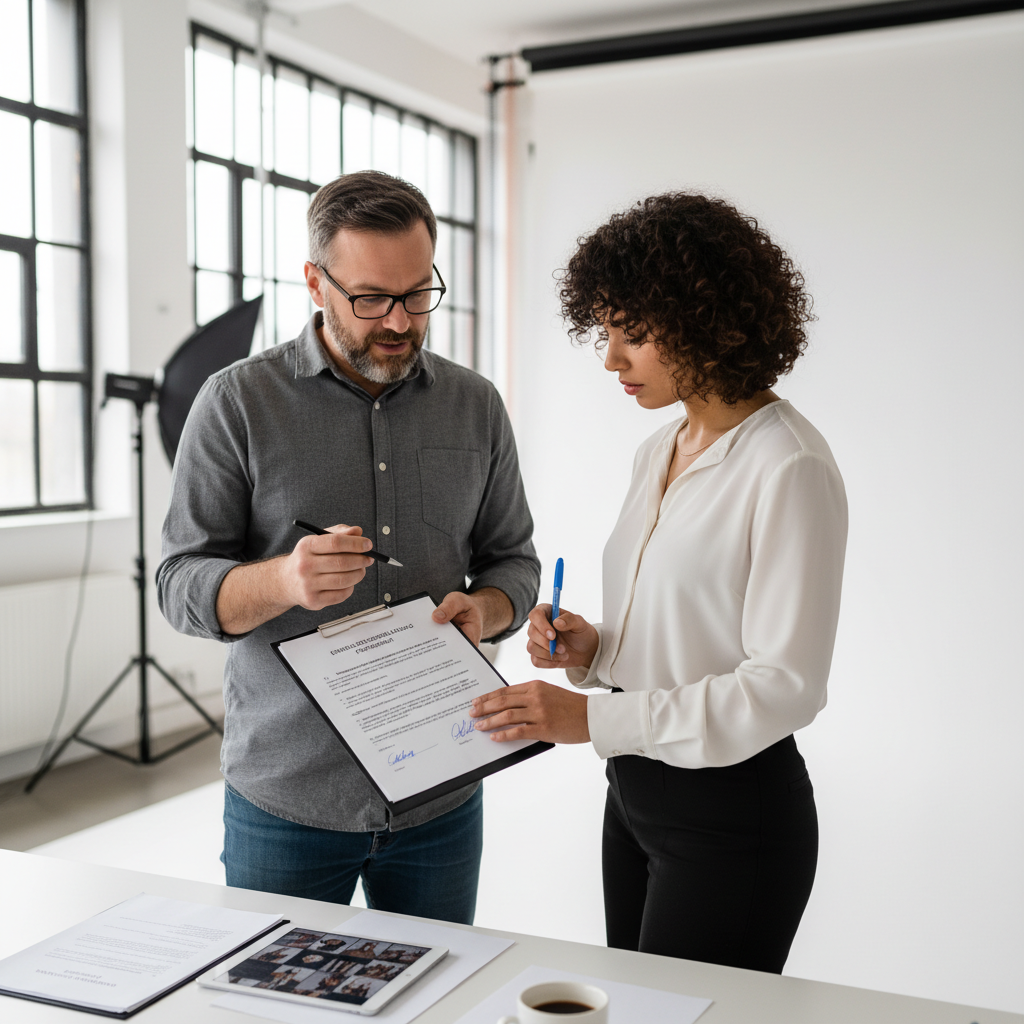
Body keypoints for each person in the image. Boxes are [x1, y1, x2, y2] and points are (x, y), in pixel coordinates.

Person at [470, 192, 848, 973]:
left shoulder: (790, 466)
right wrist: (596, 649)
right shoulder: (659, 449)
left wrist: (591, 718)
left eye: (634, 334)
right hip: (633, 796)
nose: (611, 359)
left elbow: (784, 688)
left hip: (731, 818)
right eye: (605, 331)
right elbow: (688, 632)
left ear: (708, 321)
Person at [157, 170, 539, 925]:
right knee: (275, 991)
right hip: (289, 798)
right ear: (314, 282)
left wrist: (489, 610)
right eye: (370, 298)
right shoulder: (236, 403)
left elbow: (514, 561)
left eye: (417, 295)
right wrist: (282, 581)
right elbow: (178, 584)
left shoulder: (476, 405)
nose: (398, 321)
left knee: (440, 984)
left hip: (441, 790)